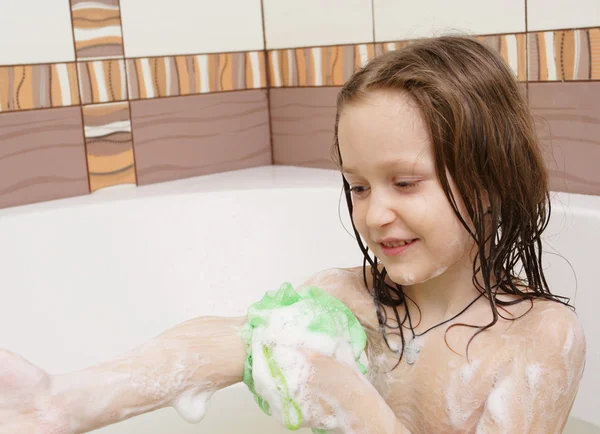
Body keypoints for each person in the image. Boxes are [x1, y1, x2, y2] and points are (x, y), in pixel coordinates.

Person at [0, 35, 586, 434]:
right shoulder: (346, 300)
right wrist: (67, 399)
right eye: (358, 187)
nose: (375, 212)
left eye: (404, 183)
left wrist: (352, 408)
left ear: (489, 180)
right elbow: (213, 346)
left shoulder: (536, 341)